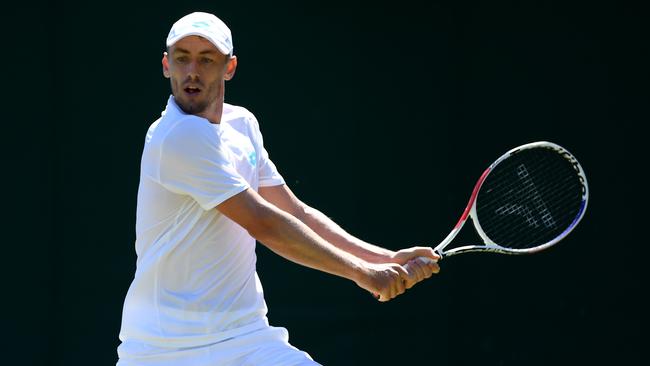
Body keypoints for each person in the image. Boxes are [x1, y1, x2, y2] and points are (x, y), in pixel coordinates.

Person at [116, 11, 440, 366]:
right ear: (166, 65)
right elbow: (263, 222)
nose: (192, 71)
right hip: (166, 352)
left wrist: (384, 259)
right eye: (182, 59)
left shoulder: (243, 125)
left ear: (230, 67)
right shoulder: (177, 137)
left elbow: (293, 211)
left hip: (246, 339)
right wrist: (362, 273)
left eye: (207, 59)